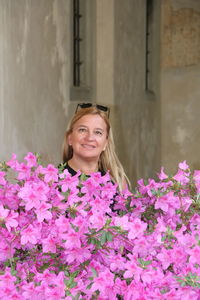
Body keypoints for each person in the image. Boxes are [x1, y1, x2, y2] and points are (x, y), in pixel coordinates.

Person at [62, 103, 130, 191]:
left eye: (98, 132)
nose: (90, 138)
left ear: (106, 143)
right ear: (70, 138)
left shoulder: (118, 182)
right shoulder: (52, 181)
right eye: (82, 130)